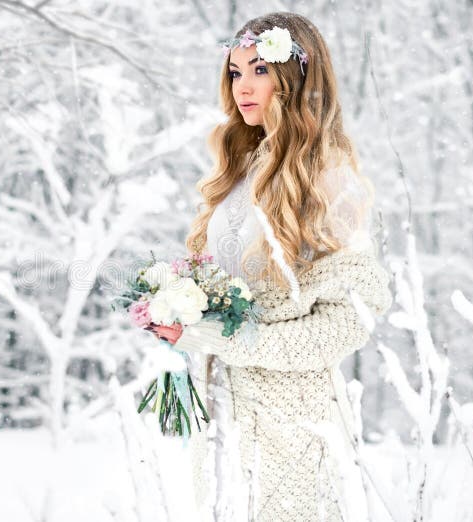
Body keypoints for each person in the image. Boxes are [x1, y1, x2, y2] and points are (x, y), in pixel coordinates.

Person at [151, 11, 394, 522]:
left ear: (297, 78)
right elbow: (226, 299)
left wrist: (233, 339)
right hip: (218, 407)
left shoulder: (329, 180)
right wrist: (182, 317)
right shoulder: (238, 169)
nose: (243, 86)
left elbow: (350, 321)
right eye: (236, 72)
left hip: (291, 419)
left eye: (260, 70)